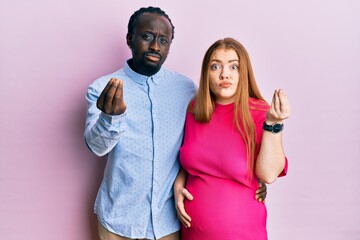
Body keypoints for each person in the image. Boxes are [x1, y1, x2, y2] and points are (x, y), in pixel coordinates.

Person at [84, 6, 267, 240]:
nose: (155, 46)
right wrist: (111, 117)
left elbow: (208, 142)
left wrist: (253, 179)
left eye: (163, 40)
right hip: (118, 222)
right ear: (130, 39)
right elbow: (96, 147)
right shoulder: (101, 88)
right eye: (147, 36)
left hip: (168, 224)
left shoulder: (186, 90)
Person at [174, 37, 290, 239]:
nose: (224, 74)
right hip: (192, 233)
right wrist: (178, 186)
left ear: (243, 73)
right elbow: (190, 159)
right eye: (215, 66)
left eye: (233, 67)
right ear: (206, 74)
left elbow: (269, 174)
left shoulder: (260, 112)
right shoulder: (195, 110)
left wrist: (273, 124)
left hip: (242, 233)